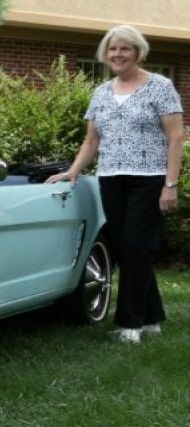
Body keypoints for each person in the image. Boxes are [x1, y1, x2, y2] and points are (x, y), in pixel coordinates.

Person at [46, 24, 184, 343]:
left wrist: (171, 184)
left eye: (125, 48)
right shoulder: (101, 92)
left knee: (137, 247)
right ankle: (151, 318)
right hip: (111, 178)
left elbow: (176, 137)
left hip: (149, 180)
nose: (117, 54)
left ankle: (129, 325)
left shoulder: (160, 86)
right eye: (112, 49)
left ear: (138, 52)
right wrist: (73, 170)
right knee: (127, 248)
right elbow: (92, 140)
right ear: (105, 55)